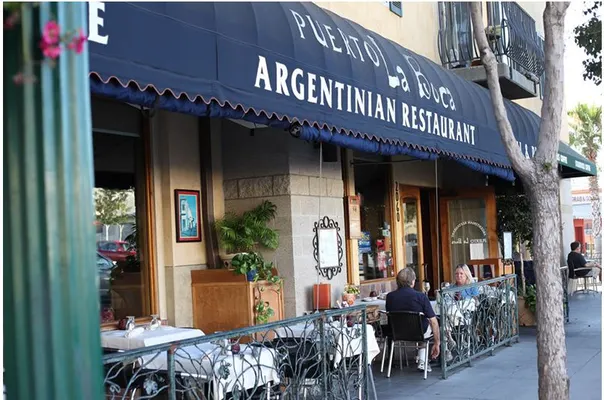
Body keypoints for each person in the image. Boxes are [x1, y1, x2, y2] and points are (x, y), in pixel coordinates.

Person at [386, 267, 440, 372]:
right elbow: (433, 321)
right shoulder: (420, 296)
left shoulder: (390, 297)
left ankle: (421, 360)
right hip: (418, 333)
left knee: (422, 324)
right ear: (413, 281)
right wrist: (437, 343)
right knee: (432, 323)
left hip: (397, 333)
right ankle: (423, 361)